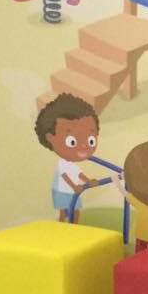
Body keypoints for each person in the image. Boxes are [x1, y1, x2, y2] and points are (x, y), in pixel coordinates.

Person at [34, 93, 100, 222]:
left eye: (91, 141)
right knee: (65, 212)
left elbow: (78, 174)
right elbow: (65, 176)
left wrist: (88, 181)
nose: (84, 146)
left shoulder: (71, 164)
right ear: (50, 138)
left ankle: (72, 228)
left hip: (72, 190)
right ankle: (64, 228)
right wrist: (75, 187)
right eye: (72, 142)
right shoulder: (63, 163)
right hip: (62, 191)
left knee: (75, 211)